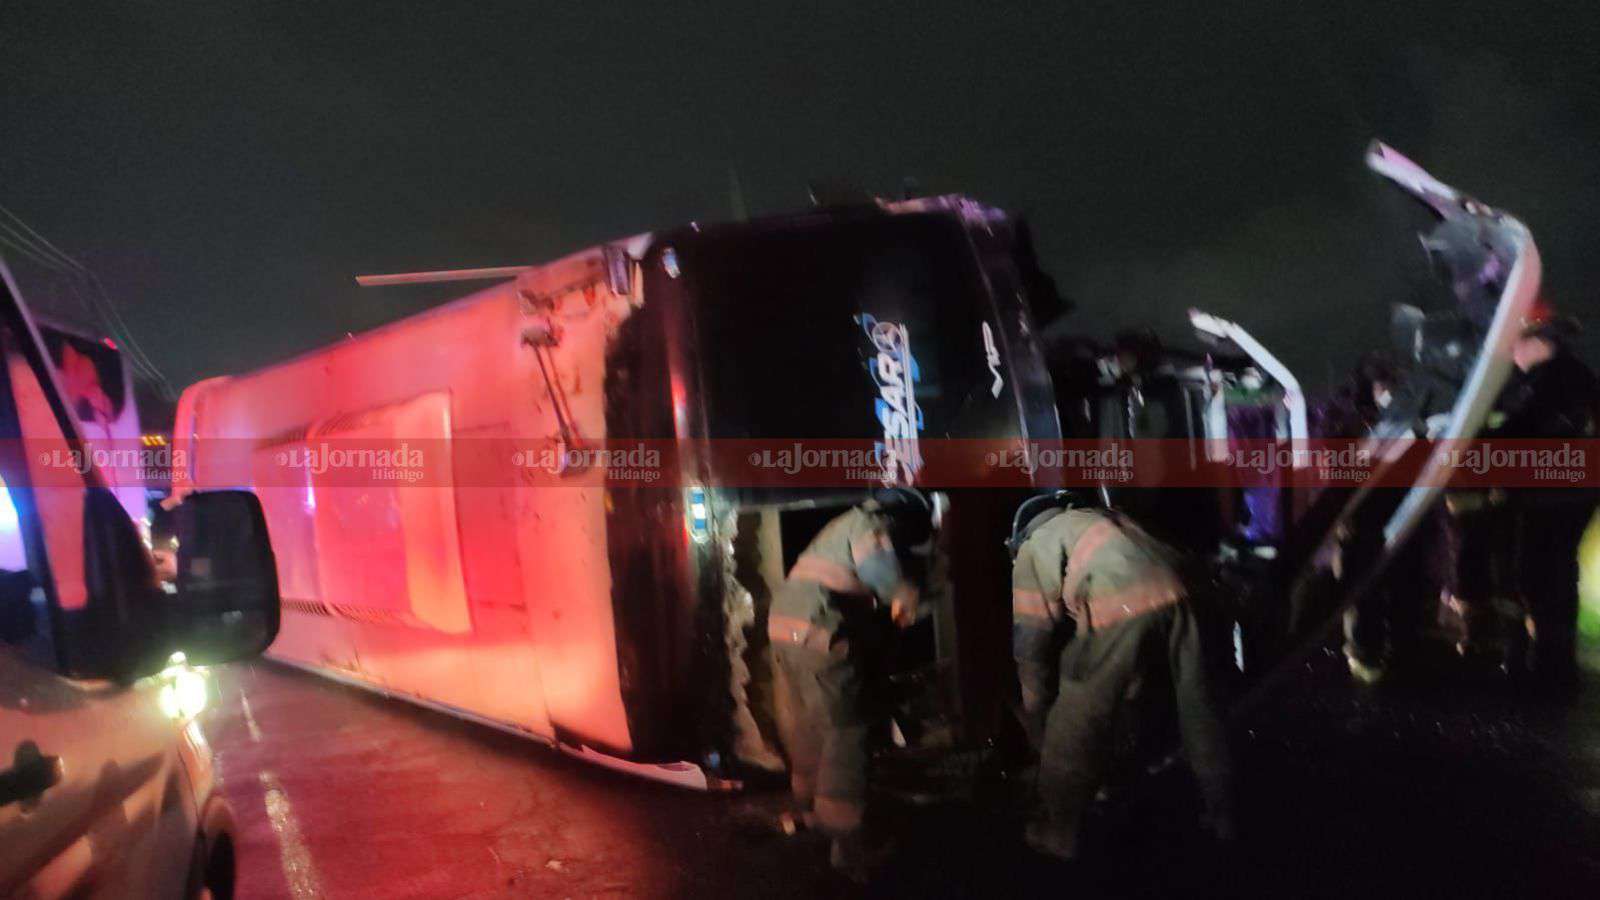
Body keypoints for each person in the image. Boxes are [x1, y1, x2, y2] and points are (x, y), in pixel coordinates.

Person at [1009, 492, 1233, 861]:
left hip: (1127, 600)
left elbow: (1032, 643)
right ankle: (1222, 814)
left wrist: (1037, 711)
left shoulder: (1036, 543)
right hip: (1194, 590)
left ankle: (1057, 831)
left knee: (1076, 713)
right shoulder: (1104, 519)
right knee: (1200, 706)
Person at [767, 487, 943, 879]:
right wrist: (909, 594)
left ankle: (810, 811)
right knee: (850, 727)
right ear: (904, 515)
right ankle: (847, 845)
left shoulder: (840, 524)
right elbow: (882, 575)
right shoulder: (873, 525)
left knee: (812, 723)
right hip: (818, 628)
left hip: (784, 627)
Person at [1497, 312, 1597, 687]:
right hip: (1576, 492)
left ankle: (1547, 666)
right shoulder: (1579, 376)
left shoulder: (1543, 383)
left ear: (1539, 342)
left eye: (1516, 344)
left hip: (1549, 495)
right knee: (1558, 570)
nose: (1512, 353)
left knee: (1538, 574)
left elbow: (1515, 433)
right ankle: (1556, 661)